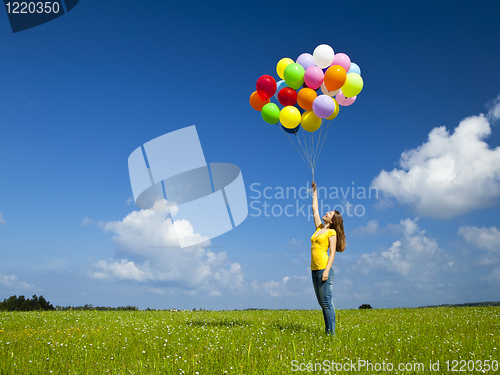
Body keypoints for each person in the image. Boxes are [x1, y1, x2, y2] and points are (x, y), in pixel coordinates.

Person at [310, 181, 346, 335]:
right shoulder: (319, 228)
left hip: (324, 269)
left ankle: (331, 334)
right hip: (314, 269)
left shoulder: (331, 233)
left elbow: (332, 253)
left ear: (332, 221)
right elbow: (315, 208)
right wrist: (315, 190)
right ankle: (328, 331)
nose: (326, 213)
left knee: (327, 302)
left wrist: (326, 270)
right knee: (322, 303)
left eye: (330, 213)